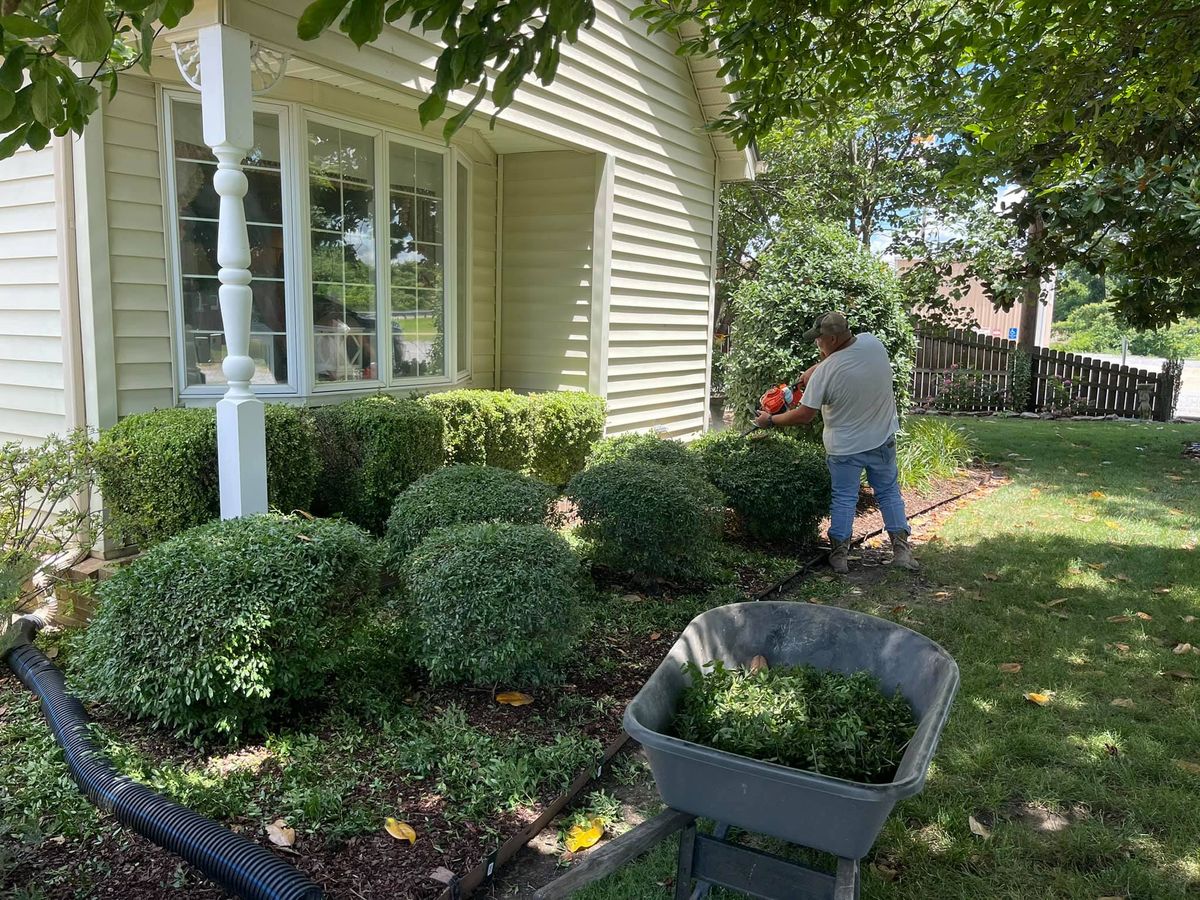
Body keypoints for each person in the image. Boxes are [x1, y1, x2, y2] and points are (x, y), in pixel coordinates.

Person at [753, 311, 917, 574]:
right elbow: (848, 356)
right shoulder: (872, 343)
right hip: (881, 438)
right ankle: (901, 551)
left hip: (845, 447)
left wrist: (770, 421)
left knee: (844, 498)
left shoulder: (826, 373)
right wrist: (814, 369)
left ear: (831, 338)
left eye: (819, 340)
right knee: (888, 493)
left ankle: (839, 557)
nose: (817, 343)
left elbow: (805, 415)